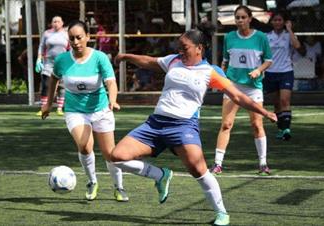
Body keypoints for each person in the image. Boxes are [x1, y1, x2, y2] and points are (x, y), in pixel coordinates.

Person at [110, 22, 277, 226]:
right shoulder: (173, 61)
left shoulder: (210, 72)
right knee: (117, 156)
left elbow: (238, 96)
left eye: (185, 48)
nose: (180, 51)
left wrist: (263, 111)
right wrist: (127, 57)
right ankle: (160, 175)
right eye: (179, 47)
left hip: (183, 127)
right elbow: (149, 61)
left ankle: (222, 213)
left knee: (199, 171)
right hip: (155, 124)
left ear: (199, 48)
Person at [41, 20, 129, 202]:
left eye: (79, 37)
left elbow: (111, 83)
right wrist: (48, 104)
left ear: (88, 37)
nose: (75, 42)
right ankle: (92, 181)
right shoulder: (62, 60)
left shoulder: (100, 58)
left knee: (110, 153)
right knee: (84, 145)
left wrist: (113, 101)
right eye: (71, 38)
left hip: (101, 109)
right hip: (75, 110)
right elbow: (53, 81)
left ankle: (119, 187)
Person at [210, 5, 273, 176]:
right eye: (237, 17)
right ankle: (217, 164)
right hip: (233, 86)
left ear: (250, 18)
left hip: (253, 88)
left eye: (243, 17)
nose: (239, 20)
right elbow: (225, 62)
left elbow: (268, 60)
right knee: (226, 124)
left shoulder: (261, 37)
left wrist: (258, 70)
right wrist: (222, 80)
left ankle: (262, 163)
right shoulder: (229, 37)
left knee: (257, 124)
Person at [263, 11, 301, 141]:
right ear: (271, 22)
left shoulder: (288, 35)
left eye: (280, 20)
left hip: (286, 71)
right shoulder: (267, 36)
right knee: (276, 104)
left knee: (285, 100)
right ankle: (281, 128)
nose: (277, 22)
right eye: (275, 20)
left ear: (284, 22)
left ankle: (287, 129)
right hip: (270, 72)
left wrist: (290, 29)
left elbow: (297, 46)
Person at [35, 16, 70, 116]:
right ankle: (43, 108)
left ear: (62, 23)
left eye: (58, 21)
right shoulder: (47, 33)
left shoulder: (66, 34)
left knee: (61, 86)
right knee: (46, 85)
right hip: (48, 63)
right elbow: (41, 46)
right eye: (54, 21)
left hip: (62, 63)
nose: (56, 23)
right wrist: (39, 58)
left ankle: (59, 108)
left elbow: (71, 48)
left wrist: (71, 60)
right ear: (51, 23)